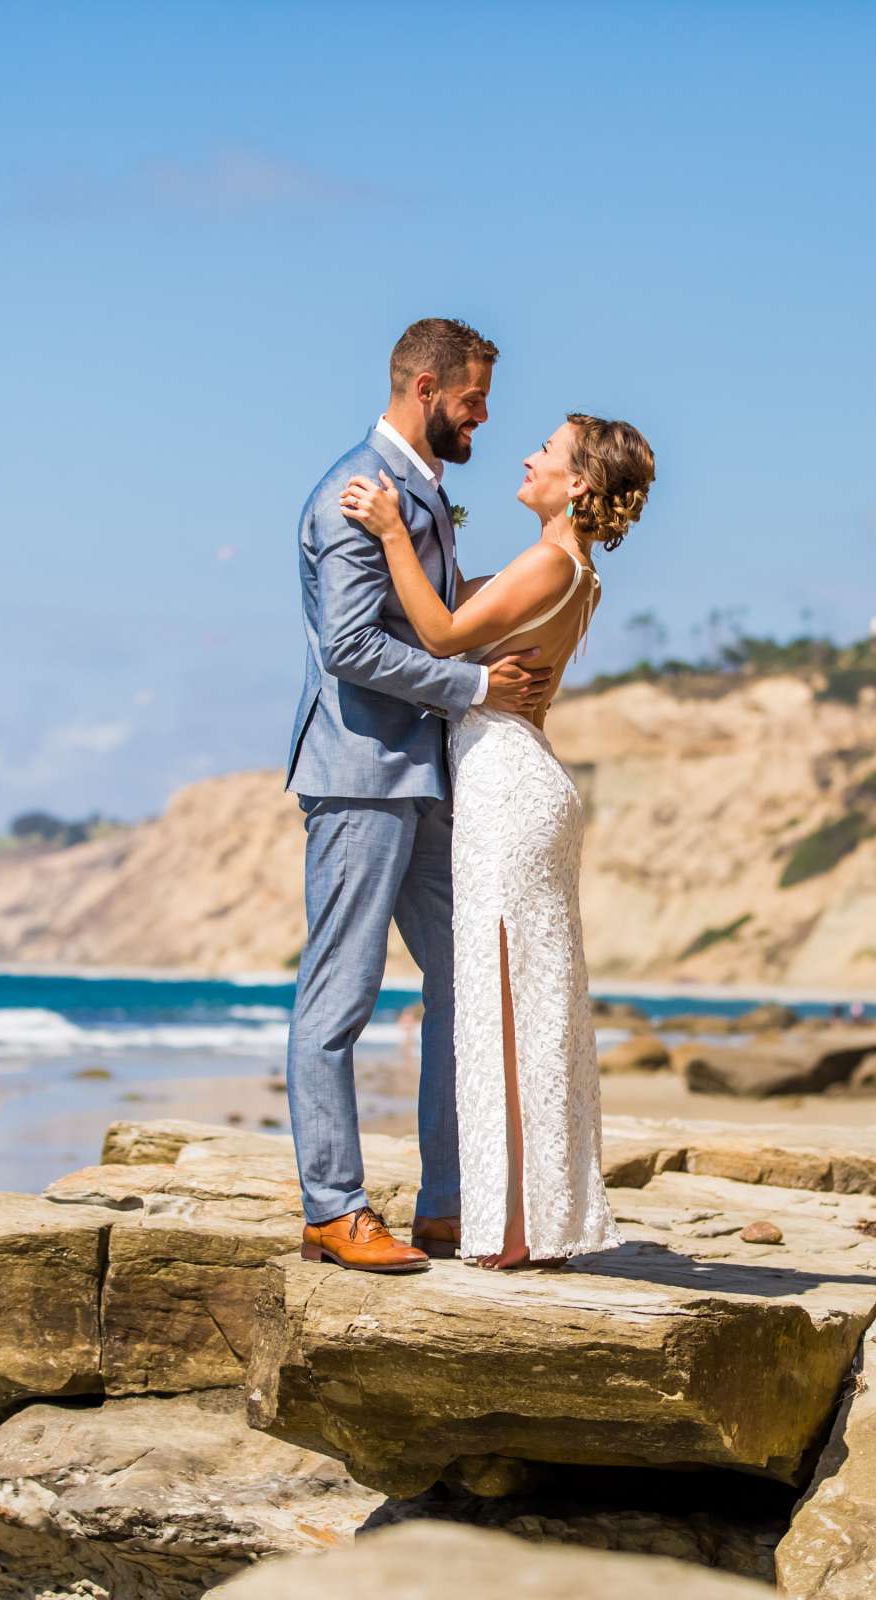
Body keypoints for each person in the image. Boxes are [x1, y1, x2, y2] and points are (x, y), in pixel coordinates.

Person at [337, 410, 655, 1268]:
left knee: (504, 996)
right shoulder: (564, 567)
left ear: (579, 481)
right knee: (521, 998)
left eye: (546, 450)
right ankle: (524, 1220)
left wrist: (395, 532)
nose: (526, 454)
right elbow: (454, 613)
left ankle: (519, 1226)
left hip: (510, 787)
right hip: (515, 778)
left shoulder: (553, 560)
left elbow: (441, 636)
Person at [282, 318, 549, 1274]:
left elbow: (435, 614)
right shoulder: (351, 495)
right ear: (426, 387)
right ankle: (332, 1208)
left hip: (424, 778)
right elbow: (352, 648)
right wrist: (477, 688)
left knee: (465, 980)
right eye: (474, 400)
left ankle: (446, 1202)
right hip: (359, 778)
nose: (482, 418)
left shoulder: (419, 492)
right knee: (340, 997)